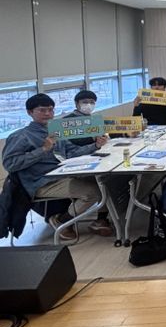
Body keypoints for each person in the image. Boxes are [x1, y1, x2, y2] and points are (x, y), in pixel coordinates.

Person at [2, 94, 108, 241]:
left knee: (102, 181)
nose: (47, 114)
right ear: (30, 112)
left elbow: (71, 152)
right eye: (42, 110)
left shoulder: (55, 131)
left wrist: (96, 145)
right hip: (42, 182)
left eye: (51, 110)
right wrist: (42, 150)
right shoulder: (21, 136)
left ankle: (100, 220)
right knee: (93, 193)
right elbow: (10, 164)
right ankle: (62, 221)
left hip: (62, 173)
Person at [62, 90, 114, 236]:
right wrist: (94, 143)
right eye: (85, 102)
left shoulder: (93, 120)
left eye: (92, 102)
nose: (88, 105)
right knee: (102, 182)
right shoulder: (67, 122)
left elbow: (101, 138)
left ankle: (101, 219)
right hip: (76, 163)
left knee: (108, 180)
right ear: (76, 104)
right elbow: (73, 148)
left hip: (94, 158)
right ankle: (64, 221)